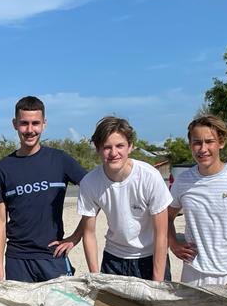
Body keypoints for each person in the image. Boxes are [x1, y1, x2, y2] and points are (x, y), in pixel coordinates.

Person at [53, 116, 172, 281]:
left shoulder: (149, 177)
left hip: (149, 256)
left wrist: (157, 282)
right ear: (98, 149)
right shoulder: (90, 182)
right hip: (113, 259)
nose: (114, 153)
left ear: (130, 146)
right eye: (107, 147)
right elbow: (89, 233)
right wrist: (95, 277)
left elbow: (161, 235)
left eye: (120, 146)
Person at [0, 96, 86, 283]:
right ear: (15, 124)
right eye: (24, 123)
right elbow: (0, 220)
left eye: (35, 123)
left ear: (44, 124)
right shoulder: (3, 168)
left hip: (52, 256)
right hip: (17, 259)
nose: (30, 130)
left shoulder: (60, 160)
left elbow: (97, 194)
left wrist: (76, 237)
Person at [168, 115, 227, 285]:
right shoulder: (183, 181)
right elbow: (166, 217)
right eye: (197, 142)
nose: (202, 148)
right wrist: (173, 243)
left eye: (209, 141)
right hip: (193, 274)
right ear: (191, 145)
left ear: (221, 143)